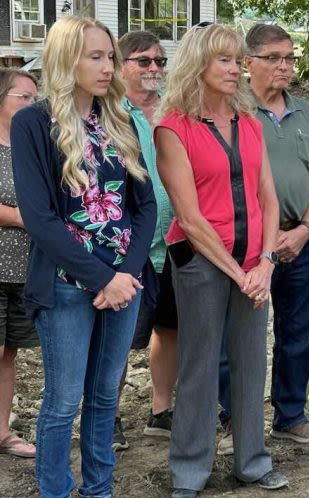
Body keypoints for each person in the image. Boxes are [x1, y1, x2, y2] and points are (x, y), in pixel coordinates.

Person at [10, 15, 156, 498]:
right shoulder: (34, 124)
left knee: (101, 398)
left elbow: (144, 207)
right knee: (61, 402)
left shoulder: (119, 119)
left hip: (123, 282)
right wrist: (104, 278)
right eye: (94, 56)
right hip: (69, 286)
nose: (107, 66)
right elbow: (40, 217)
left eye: (109, 57)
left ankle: (97, 497)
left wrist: (127, 275)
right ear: (65, 59)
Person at [155, 22, 287, 498]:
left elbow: (268, 199)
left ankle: (252, 463)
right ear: (198, 66)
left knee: (252, 365)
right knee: (199, 366)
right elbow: (189, 218)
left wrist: (266, 264)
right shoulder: (172, 127)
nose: (237, 69)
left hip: (255, 262)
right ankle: (189, 470)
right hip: (202, 263)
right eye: (225, 61)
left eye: (239, 60)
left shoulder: (250, 123)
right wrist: (241, 275)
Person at [215, 23, 309, 447]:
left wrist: (306, 228)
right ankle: (236, 419)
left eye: (290, 58)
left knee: (297, 332)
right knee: (238, 337)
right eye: (274, 58)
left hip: (301, 242)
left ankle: (291, 415)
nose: (285, 66)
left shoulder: (305, 112)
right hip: (249, 243)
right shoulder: (229, 110)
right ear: (249, 63)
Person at [111, 30, 178, 450]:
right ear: (122, 67)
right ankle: (106, 416)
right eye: (143, 61)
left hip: (177, 240)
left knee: (170, 328)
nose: (154, 68)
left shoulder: (174, 111)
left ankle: (161, 410)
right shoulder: (108, 114)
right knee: (116, 335)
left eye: (159, 61)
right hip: (128, 244)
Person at [0, 68, 40, 458]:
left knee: (9, 351)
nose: (31, 104)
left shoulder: (31, 145)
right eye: (22, 98)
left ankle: (2, 432)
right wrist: (24, 217)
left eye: (34, 98)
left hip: (25, 270)